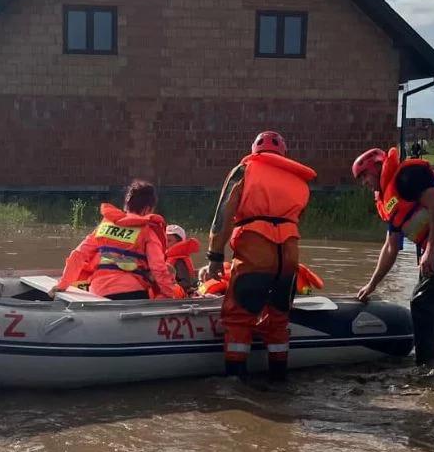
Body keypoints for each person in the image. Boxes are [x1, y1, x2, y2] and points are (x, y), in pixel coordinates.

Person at [201, 131, 316, 381]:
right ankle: (279, 379)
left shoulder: (244, 170)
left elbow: (224, 213)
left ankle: (235, 382)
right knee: (278, 319)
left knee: (238, 318)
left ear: (255, 150)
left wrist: (215, 256)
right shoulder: (299, 180)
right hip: (288, 255)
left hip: (256, 250)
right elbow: (299, 217)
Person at [351, 146, 434, 367]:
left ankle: (429, 370)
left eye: (365, 175)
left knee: (423, 304)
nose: (364, 182)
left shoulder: (406, 177)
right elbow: (391, 247)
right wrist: (372, 285)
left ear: (379, 167)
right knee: (429, 306)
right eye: (360, 179)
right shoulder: (386, 200)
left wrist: (431, 250)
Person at [54, 181, 182, 300]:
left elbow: (78, 255)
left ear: (127, 205)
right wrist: (169, 296)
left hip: (98, 293)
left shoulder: (105, 226)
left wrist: (63, 285)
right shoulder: (147, 231)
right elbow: (158, 268)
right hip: (131, 293)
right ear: (148, 209)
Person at [164, 224, 200, 294]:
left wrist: (168, 287)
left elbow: (186, 283)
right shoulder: (170, 257)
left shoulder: (179, 261)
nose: (165, 244)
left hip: (180, 295)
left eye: (169, 241)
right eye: (164, 240)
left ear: (179, 243)